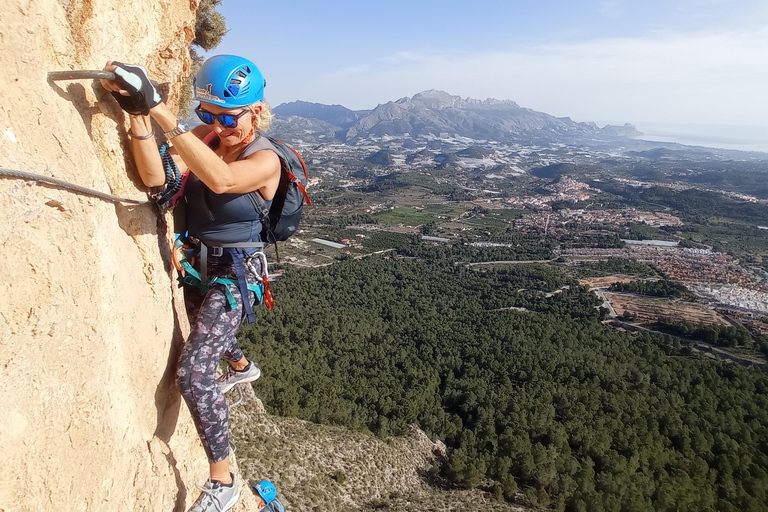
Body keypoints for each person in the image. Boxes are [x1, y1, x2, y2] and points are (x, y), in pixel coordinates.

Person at [101, 55, 281, 512]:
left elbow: (221, 180)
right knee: (208, 329)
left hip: (238, 274)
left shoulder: (266, 159)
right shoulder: (203, 137)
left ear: (256, 110)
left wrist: (162, 109)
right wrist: (139, 116)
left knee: (193, 371)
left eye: (228, 116)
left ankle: (223, 481)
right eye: (208, 115)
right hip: (198, 268)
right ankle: (241, 366)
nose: (219, 126)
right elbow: (156, 179)